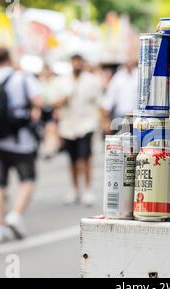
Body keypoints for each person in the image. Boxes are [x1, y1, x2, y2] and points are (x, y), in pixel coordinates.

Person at [0, 48, 42, 243]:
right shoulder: (22, 78)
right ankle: (15, 215)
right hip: (20, 140)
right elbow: (38, 101)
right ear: (10, 59)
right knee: (28, 179)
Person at [54, 54, 103, 205]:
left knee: (85, 158)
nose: (76, 64)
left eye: (79, 61)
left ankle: (88, 190)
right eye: (74, 61)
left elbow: (99, 102)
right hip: (68, 126)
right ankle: (75, 189)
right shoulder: (63, 81)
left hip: (86, 124)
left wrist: (102, 121)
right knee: (72, 160)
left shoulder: (92, 80)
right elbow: (55, 103)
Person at [100, 59, 137, 135]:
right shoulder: (118, 77)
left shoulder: (139, 74)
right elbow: (109, 100)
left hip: (137, 118)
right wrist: (106, 121)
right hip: (121, 117)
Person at [38, 65, 61, 158]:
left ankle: (50, 148)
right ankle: (49, 147)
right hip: (43, 108)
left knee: (51, 128)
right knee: (45, 130)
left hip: (52, 108)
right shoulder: (40, 82)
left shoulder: (55, 82)